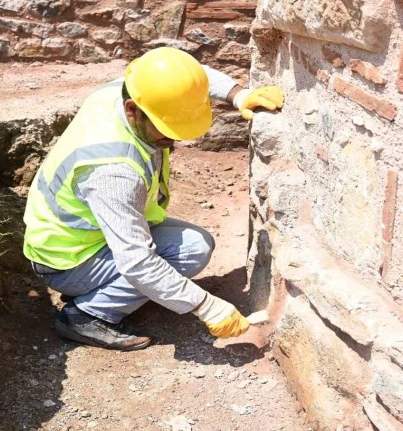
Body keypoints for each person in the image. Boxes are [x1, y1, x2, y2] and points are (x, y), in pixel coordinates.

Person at [22, 47, 285, 351]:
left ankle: (100, 289)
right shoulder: (113, 172)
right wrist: (206, 306)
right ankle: (86, 315)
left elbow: (184, 81)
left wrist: (238, 94)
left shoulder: (124, 92)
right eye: (166, 130)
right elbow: (137, 262)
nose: (174, 140)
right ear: (132, 110)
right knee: (189, 252)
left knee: (197, 243)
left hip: (82, 239)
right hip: (67, 259)